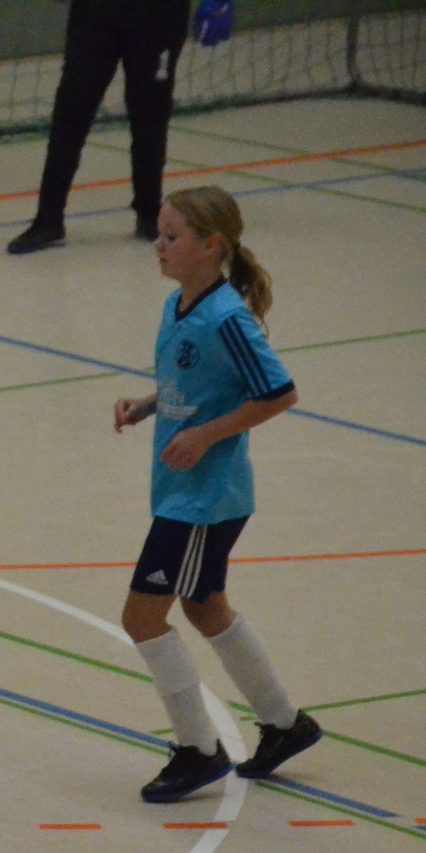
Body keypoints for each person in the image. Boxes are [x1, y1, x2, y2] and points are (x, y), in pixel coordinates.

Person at [112, 186, 320, 802]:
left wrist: (204, 435)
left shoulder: (227, 318)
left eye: (172, 236)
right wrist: (150, 405)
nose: (159, 245)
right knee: (205, 606)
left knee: (141, 616)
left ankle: (198, 750)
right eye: (159, 233)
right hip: (183, 490)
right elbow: (196, 383)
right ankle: (285, 723)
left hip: (205, 498)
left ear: (211, 246)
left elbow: (279, 393)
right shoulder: (179, 305)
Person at [6, 0, 232, 255]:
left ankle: (149, 213)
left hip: (158, 14)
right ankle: (48, 220)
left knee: (150, 114)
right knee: (71, 112)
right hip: (97, 12)